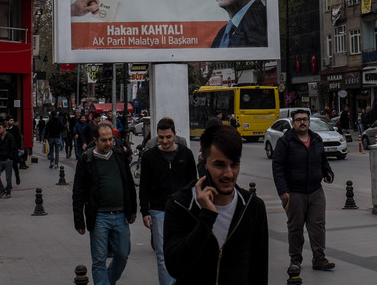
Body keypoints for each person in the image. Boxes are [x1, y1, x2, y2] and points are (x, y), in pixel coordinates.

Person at [163, 124, 268, 284]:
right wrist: (206, 218)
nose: (228, 174)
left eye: (234, 165)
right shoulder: (181, 204)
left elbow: (258, 271)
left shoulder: (252, 207)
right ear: (204, 163)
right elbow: (175, 267)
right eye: (219, 165)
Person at [73, 122, 137, 285]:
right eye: (104, 140)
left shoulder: (119, 155)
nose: (108, 143)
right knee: (99, 259)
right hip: (99, 216)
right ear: (96, 140)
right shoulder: (86, 160)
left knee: (122, 254)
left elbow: (129, 183)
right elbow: (78, 192)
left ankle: (108, 280)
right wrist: (79, 219)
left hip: (121, 214)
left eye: (111, 139)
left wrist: (133, 209)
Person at [272, 109, 335, 272]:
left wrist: (328, 173)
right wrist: (283, 190)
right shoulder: (285, 141)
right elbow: (277, 167)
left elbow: (323, 161)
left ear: (309, 121)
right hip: (294, 192)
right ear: (293, 123)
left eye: (305, 119)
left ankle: (319, 258)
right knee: (295, 228)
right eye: (299, 120)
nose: (302, 122)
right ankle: (295, 260)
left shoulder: (316, 139)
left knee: (317, 226)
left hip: (315, 191)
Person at [139, 117, 197, 285]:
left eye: (168, 137)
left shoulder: (186, 154)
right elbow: (144, 186)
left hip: (183, 211)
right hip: (159, 211)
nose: (164, 141)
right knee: (162, 255)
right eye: (161, 137)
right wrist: (145, 211)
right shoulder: (150, 157)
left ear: (175, 135)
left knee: (185, 251)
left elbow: (193, 182)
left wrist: (194, 209)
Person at [0, 121, 16, 198]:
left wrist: (10, 158)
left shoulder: (9, 136)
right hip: (0, 159)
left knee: (8, 177)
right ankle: (2, 190)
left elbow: (13, 148)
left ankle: (8, 191)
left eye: (0, 128)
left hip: (7, 160)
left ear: (4, 128)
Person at [6, 116, 24, 183]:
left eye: (13, 120)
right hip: (7, 150)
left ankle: (17, 176)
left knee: (15, 164)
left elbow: (19, 138)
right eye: (11, 120)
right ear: (7, 121)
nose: (12, 122)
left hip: (15, 150)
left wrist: (20, 148)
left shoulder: (15, 128)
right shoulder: (5, 130)